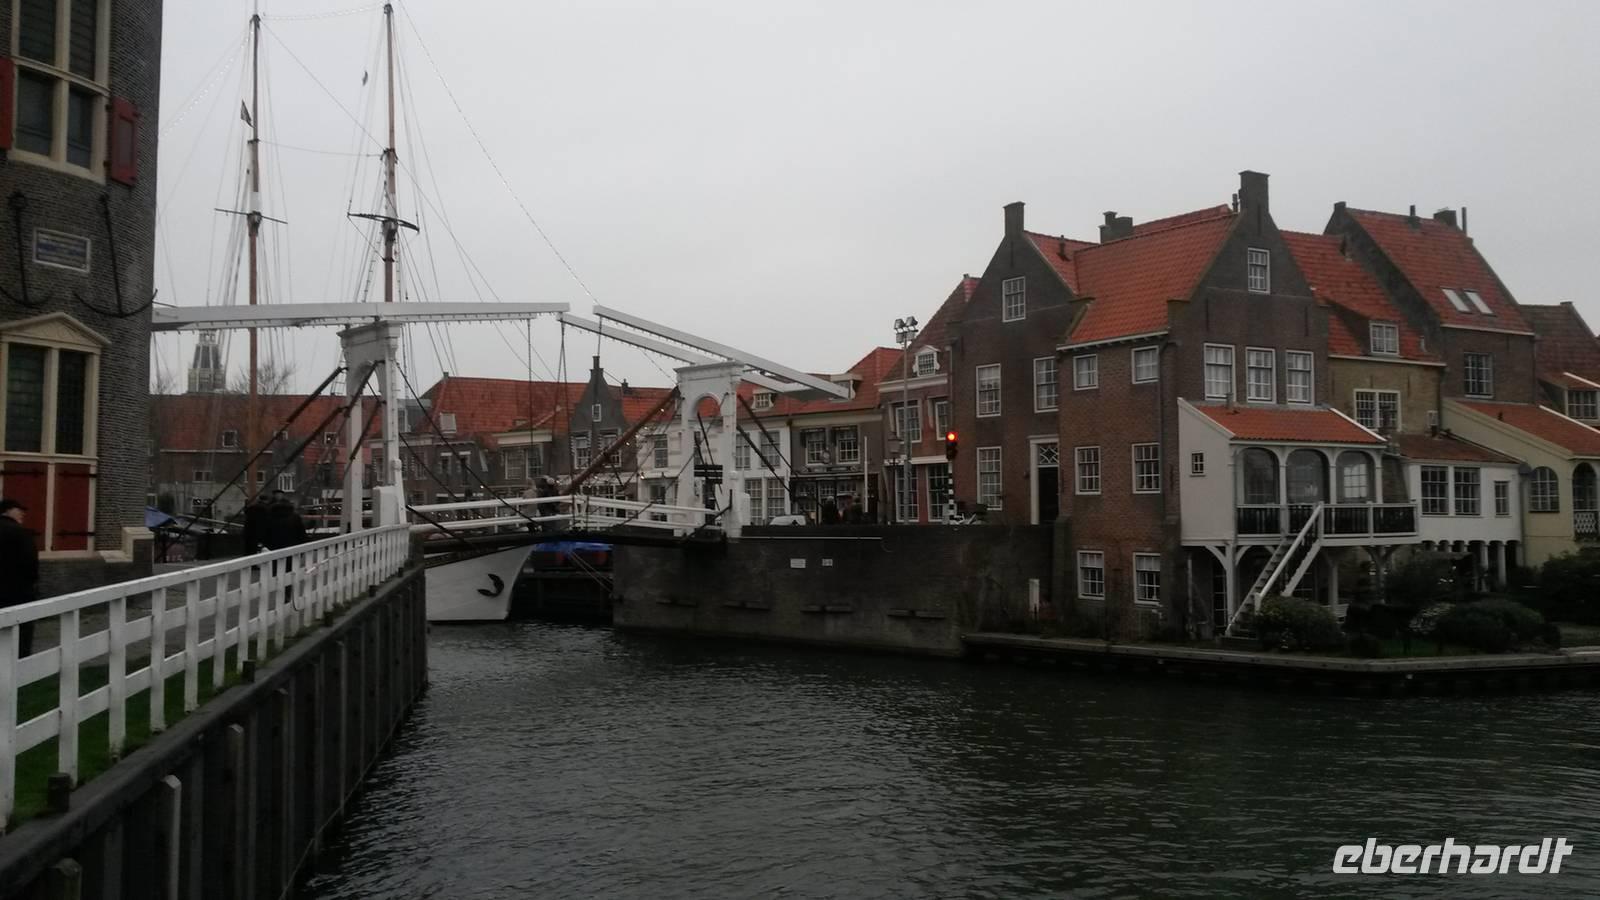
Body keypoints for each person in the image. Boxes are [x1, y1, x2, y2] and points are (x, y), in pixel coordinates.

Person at [0, 499, 40, 657]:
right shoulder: (20, 533)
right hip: (17, 592)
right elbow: (30, 563)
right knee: (21, 632)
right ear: (7, 511)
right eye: (19, 509)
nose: (22, 513)